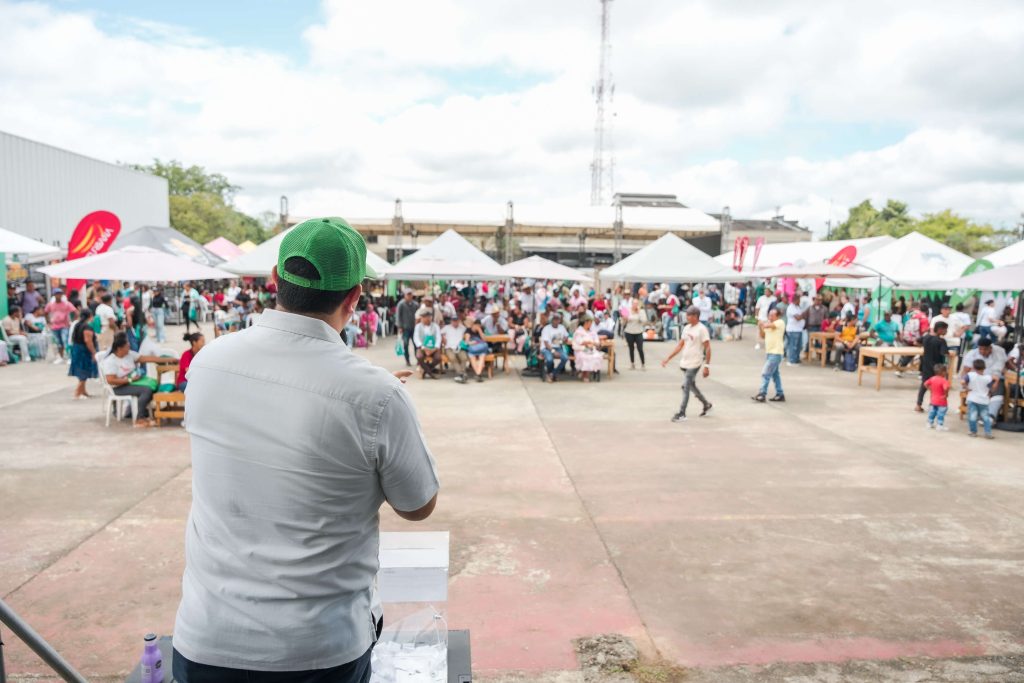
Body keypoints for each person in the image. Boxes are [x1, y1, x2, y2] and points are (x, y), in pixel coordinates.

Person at [173, 217, 438, 681]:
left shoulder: (209, 363)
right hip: (317, 652)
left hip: (206, 639)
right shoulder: (375, 396)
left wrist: (363, 406)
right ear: (355, 297)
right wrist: (380, 413)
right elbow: (418, 506)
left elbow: (268, 424)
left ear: (274, 279)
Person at [100, 332, 169, 426]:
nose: (129, 346)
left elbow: (147, 358)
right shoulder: (111, 361)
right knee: (146, 390)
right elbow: (111, 380)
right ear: (119, 348)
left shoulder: (129, 355)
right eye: (127, 345)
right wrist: (130, 380)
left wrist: (169, 360)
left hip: (132, 382)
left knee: (154, 385)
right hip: (118, 387)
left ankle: (146, 412)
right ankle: (139, 419)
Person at [661, 306, 713, 422]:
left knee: (685, 386)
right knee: (691, 386)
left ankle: (682, 413)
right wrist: (668, 358)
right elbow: (680, 345)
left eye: (689, 315)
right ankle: (706, 404)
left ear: (695, 316)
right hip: (685, 362)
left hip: (695, 362)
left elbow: (708, 348)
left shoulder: (702, 329)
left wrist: (707, 366)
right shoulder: (687, 328)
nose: (687, 317)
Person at [961, 338, 1008, 419]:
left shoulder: (1000, 351)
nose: (982, 351)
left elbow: (1003, 367)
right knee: (981, 389)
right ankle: (982, 414)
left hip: (995, 379)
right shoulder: (972, 354)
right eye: (980, 349)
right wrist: (965, 385)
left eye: (985, 349)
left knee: (999, 390)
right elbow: (965, 371)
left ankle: (990, 416)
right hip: (977, 380)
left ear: (990, 347)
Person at [914, 321, 950, 413]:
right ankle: (935, 405)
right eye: (945, 329)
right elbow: (944, 353)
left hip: (925, 366)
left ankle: (918, 405)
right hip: (937, 368)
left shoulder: (926, 337)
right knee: (939, 387)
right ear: (940, 329)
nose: (946, 331)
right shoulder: (941, 341)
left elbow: (916, 342)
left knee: (924, 386)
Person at [753, 307, 785, 403]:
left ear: (777, 316)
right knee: (775, 375)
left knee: (765, 373)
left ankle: (762, 393)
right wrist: (760, 326)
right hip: (770, 352)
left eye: (772, 315)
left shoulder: (780, 322)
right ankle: (780, 393)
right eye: (769, 315)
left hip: (776, 352)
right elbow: (763, 335)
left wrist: (762, 322)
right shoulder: (770, 325)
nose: (770, 317)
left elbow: (769, 326)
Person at [68, 307, 98, 398]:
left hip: (77, 349)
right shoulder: (87, 327)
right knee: (84, 371)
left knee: (81, 371)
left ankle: (83, 391)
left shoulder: (77, 325)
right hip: (83, 351)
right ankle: (77, 392)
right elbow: (88, 340)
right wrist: (93, 352)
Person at [963, 358, 996, 439]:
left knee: (972, 416)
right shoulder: (988, 378)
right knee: (985, 417)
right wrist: (990, 393)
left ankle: (973, 431)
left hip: (972, 399)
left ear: (973, 367)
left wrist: (967, 388)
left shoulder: (970, 375)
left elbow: (962, 381)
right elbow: (992, 386)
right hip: (984, 401)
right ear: (984, 368)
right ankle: (987, 432)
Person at [45, 289, 77, 363]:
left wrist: (72, 322)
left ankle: (69, 357)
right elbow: (46, 312)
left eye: (59, 294)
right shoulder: (51, 304)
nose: (58, 295)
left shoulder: (66, 304)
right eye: (57, 294)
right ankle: (60, 357)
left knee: (65, 340)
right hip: (54, 326)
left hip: (64, 325)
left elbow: (75, 311)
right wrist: (48, 322)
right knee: (58, 342)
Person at [539, 312, 570, 383]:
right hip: (547, 348)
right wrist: (553, 351)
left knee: (565, 358)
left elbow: (566, 336)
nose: (556, 321)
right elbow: (546, 343)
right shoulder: (546, 328)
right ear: (551, 320)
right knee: (549, 360)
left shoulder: (562, 327)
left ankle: (552, 374)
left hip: (558, 347)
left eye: (557, 319)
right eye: (554, 319)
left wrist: (565, 339)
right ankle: (551, 374)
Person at [572, 314, 603, 382]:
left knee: (596, 356)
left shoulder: (592, 332)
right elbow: (579, 342)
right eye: (590, 323)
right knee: (585, 357)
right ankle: (584, 374)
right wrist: (587, 342)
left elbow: (596, 342)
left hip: (591, 349)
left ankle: (586, 373)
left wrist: (593, 343)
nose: (591, 324)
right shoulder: (578, 331)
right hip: (580, 349)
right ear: (585, 322)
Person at [441, 314, 469, 383]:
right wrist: (443, 338)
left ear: (459, 321)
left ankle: (461, 375)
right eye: (453, 320)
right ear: (451, 321)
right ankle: (462, 374)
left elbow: (468, 332)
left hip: (460, 347)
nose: (455, 322)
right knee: (453, 358)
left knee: (464, 357)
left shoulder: (462, 328)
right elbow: (439, 333)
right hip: (449, 347)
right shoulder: (447, 327)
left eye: (456, 320)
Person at [413, 310, 441, 378]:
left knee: (438, 358)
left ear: (430, 318)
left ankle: (425, 371)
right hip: (422, 347)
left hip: (433, 347)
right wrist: (423, 348)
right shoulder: (418, 326)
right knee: (419, 356)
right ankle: (431, 373)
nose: (424, 319)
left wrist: (435, 348)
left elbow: (438, 337)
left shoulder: (435, 326)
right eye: (423, 317)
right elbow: (416, 338)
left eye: (426, 317)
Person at [923, 363, 950, 431]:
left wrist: (930, 389)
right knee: (941, 414)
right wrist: (946, 394)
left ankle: (929, 423)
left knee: (932, 412)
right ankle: (939, 425)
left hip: (933, 400)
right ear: (943, 372)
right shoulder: (944, 380)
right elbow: (946, 388)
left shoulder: (932, 378)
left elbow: (925, 384)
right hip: (942, 401)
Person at [622, 297, 647, 370]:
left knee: (640, 348)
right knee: (631, 348)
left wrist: (639, 313)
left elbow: (644, 321)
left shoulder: (641, 311)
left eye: (636, 303)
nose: (635, 305)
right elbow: (623, 322)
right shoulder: (627, 310)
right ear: (632, 304)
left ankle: (643, 364)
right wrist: (625, 318)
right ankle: (632, 363)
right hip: (629, 331)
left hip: (638, 332)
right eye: (634, 303)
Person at [395, 289, 419, 367]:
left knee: (416, 344)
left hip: (414, 328)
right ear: (405, 295)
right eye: (408, 294)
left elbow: (418, 315)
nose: (409, 296)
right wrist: (400, 327)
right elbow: (398, 316)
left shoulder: (415, 304)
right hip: (405, 328)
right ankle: (407, 360)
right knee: (406, 344)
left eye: (410, 294)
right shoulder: (401, 304)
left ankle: (418, 360)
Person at [462, 317, 490, 382]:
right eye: (476, 325)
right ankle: (478, 374)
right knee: (473, 357)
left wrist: (479, 330)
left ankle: (478, 374)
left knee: (482, 357)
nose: (477, 327)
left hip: (481, 349)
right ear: (473, 325)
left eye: (479, 326)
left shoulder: (481, 330)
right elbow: (467, 341)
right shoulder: (468, 330)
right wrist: (472, 342)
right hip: (472, 348)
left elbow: (484, 340)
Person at [784, 292, 806, 365]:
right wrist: (805, 314)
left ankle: (796, 359)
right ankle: (791, 360)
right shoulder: (791, 307)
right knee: (793, 345)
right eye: (799, 300)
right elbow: (798, 318)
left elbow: (801, 316)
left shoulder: (798, 307)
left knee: (799, 346)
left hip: (799, 329)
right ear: (795, 300)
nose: (800, 301)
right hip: (793, 329)